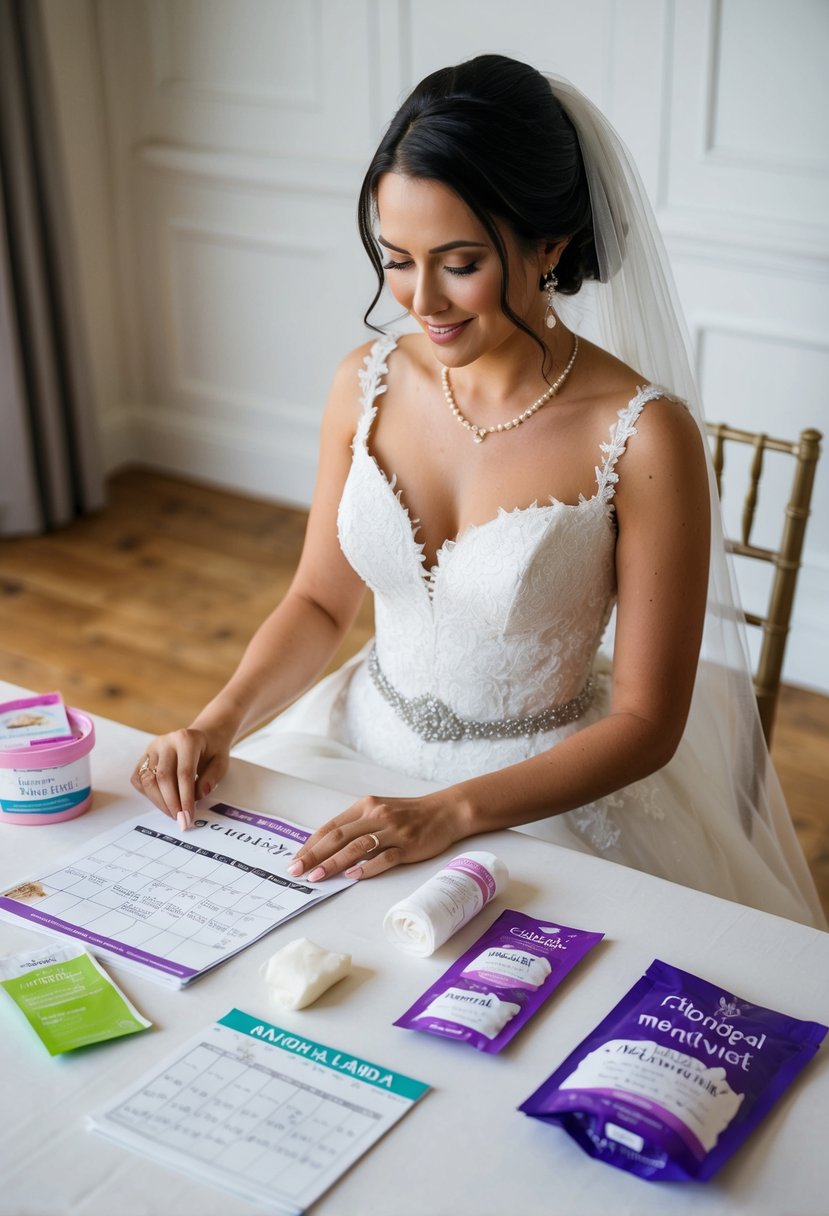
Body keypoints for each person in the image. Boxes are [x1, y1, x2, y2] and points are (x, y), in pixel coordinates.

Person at [131, 55, 825, 929]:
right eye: (396, 260)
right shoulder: (364, 382)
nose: (423, 301)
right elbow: (317, 598)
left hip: (542, 806)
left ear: (550, 245)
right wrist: (219, 722)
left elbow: (649, 721)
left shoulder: (645, 436)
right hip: (348, 750)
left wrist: (449, 813)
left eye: (459, 262)